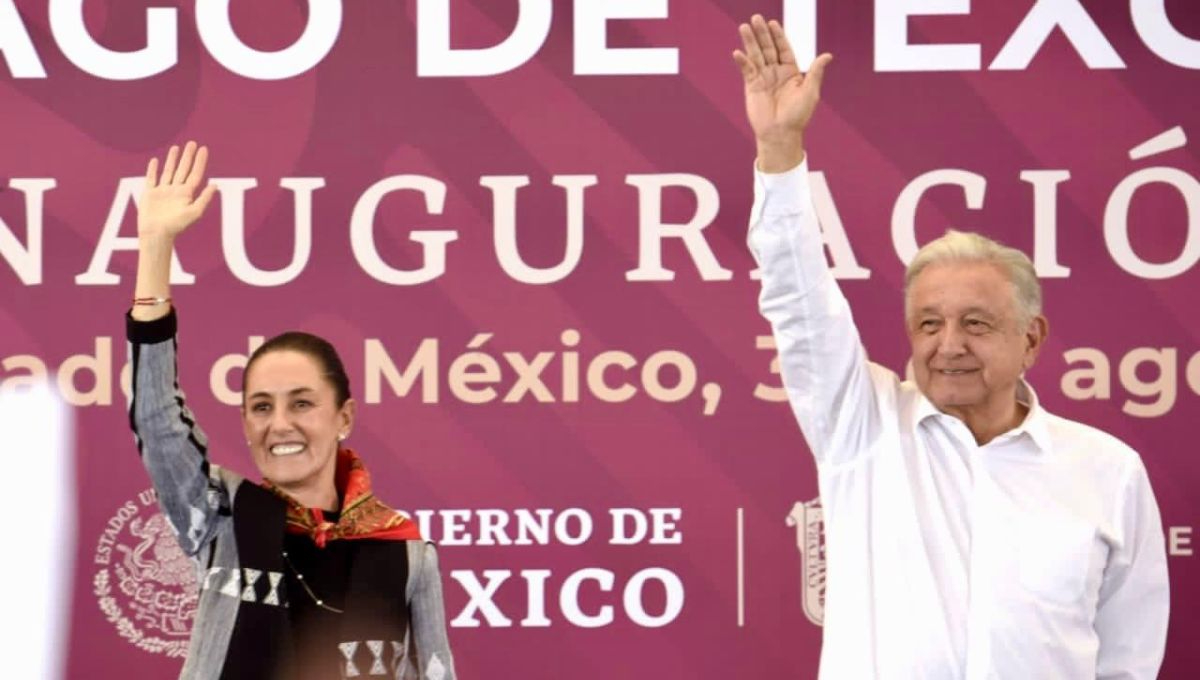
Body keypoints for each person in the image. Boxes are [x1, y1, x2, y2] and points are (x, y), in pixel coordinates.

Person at [735, 15, 1169, 679]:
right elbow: (799, 303)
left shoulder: (1108, 471)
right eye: (928, 324)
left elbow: (1129, 661)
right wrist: (780, 151)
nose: (949, 346)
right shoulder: (863, 429)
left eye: (976, 323)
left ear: (1032, 338)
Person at [125, 142, 456, 680]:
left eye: (301, 403)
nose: (280, 424)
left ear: (343, 417)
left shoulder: (407, 553)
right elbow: (157, 422)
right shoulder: (223, 518)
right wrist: (155, 247)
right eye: (260, 406)